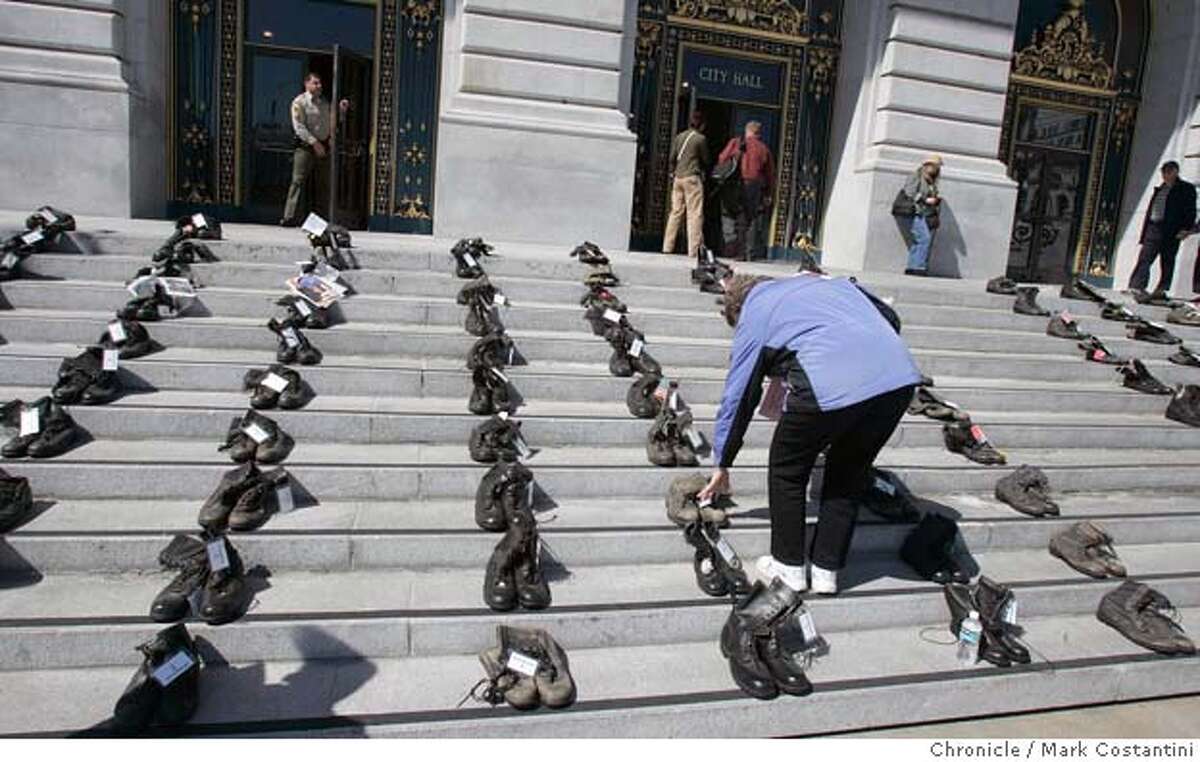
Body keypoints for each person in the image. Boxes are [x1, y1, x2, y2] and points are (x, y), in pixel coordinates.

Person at [697, 272, 922, 595]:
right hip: (897, 382)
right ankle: (826, 570)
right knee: (849, 473)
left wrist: (723, 461)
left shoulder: (755, 311)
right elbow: (890, 318)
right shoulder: (829, 284)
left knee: (787, 469)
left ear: (738, 309)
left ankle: (789, 567)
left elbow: (739, 394)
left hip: (828, 381)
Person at [281, 73, 348, 227]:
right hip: (306, 147)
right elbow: (299, 127)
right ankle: (290, 217)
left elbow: (333, 122)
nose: (319, 86)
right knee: (298, 181)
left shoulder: (324, 103)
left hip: (324, 147)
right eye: (315, 83)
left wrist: (341, 111)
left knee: (324, 184)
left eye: (320, 83)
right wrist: (314, 143)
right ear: (307, 84)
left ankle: (321, 221)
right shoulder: (300, 102)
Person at [1127, 161, 1196, 298]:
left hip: (1171, 230)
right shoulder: (1161, 188)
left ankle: (1162, 288)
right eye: (1164, 172)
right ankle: (1137, 285)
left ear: (1175, 172)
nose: (1165, 175)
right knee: (1145, 257)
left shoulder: (1185, 189)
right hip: (1154, 227)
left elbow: (1190, 211)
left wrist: (1186, 229)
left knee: (1167, 260)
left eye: (1168, 172)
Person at [717, 121, 775, 261]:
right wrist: (768, 193)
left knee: (730, 215)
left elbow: (722, 159)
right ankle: (749, 252)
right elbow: (770, 174)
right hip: (754, 186)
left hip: (735, 184)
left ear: (747, 131)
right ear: (758, 133)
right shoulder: (764, 149)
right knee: (750, 219)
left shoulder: (736, 142)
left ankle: (733, 248)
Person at [662, 110, 710, 257]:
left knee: (675, 212)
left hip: (678, 178)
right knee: (694, 214)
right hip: (691, 178)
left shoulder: (679, 137)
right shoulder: (700, 139)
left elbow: (672, 158)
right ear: (701, 125)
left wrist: (673, 173)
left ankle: (667, 247)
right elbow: (706, 160)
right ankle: (693, 250)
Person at [893, 156, 943, 276]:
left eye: (938, 167)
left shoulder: (931, 181)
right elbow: (909, 192)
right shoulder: (916, 176)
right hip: (912, 212)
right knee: (924, 238)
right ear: (927, 165)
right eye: (935, 166)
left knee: (918, 240)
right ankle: (919, 267)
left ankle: (912, 267)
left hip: (921, 213)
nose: (937, 169)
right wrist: (926, 200)